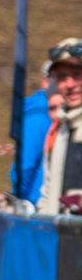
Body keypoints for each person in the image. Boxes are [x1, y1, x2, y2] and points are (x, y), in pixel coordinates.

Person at [36, 39, 82, 214]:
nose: (69, 85)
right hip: (60, 229)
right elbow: (48, 193)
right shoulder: (59, 129)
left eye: (77, 75)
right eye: (62, 77)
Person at [13, 66, 51, 205]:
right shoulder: (41, 114)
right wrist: (20, 202)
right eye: (59, 77)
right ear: (44, 82)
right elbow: (25, 166)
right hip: (37, 204)